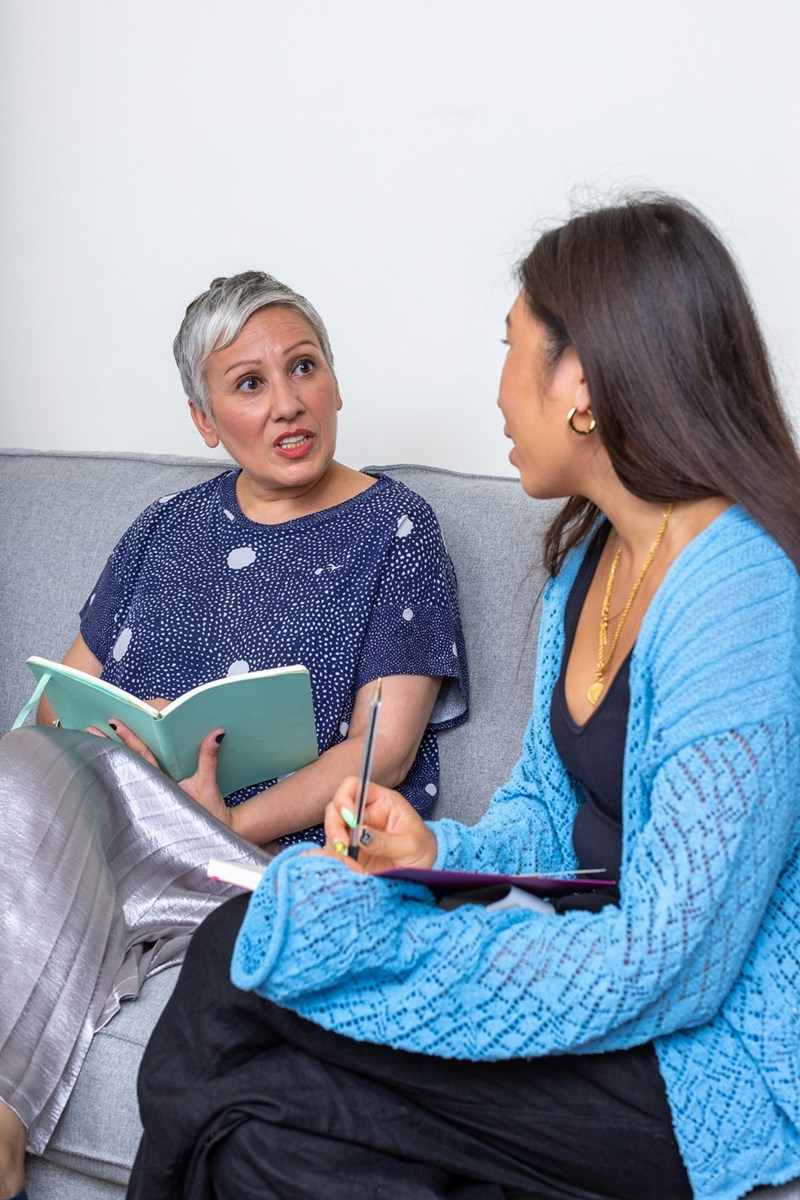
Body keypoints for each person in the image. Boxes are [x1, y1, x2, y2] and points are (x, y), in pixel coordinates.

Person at [129, 197, 799, 1200]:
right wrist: (431, 856)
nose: (495, 390)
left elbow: (673, 964)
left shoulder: (738, 596)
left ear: (578, 381)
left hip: (685, 1066)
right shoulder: (592, 564)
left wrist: (425, 957)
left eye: (508, 348)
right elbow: (542, 811)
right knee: (259, 1139)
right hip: (592, 976)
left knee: (241, 950)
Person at [0, 272, 468, 1200]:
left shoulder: (400, 528)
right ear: (205, 420)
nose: (288, 403)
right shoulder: (164, 528)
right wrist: (126, 766)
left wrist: (222, 820)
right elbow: (61, 700)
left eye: (304, 367)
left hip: (274, 858)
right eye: (249, 383)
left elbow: (386, 749)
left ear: (335, 381)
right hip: (119, 834)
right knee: (24, 760)